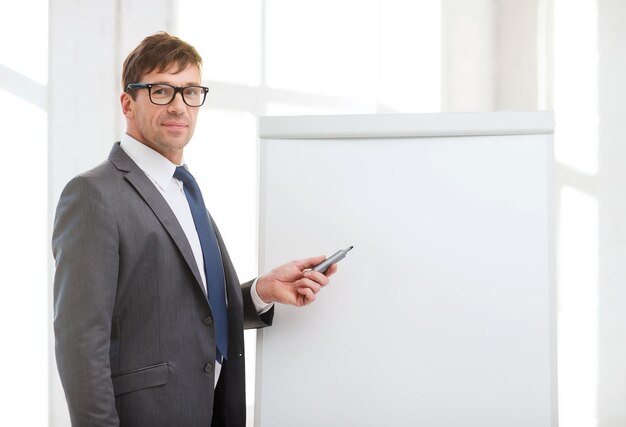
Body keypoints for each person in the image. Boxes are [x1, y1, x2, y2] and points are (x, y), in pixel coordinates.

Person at [52, 32, 336, 427]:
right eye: (161, 91)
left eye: (190, 92)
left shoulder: (184, 189)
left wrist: (260, 292)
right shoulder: (93, 194)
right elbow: (80, 343)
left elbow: (187, 313)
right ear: (127, 104)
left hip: (211, 408)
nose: (178, 106)